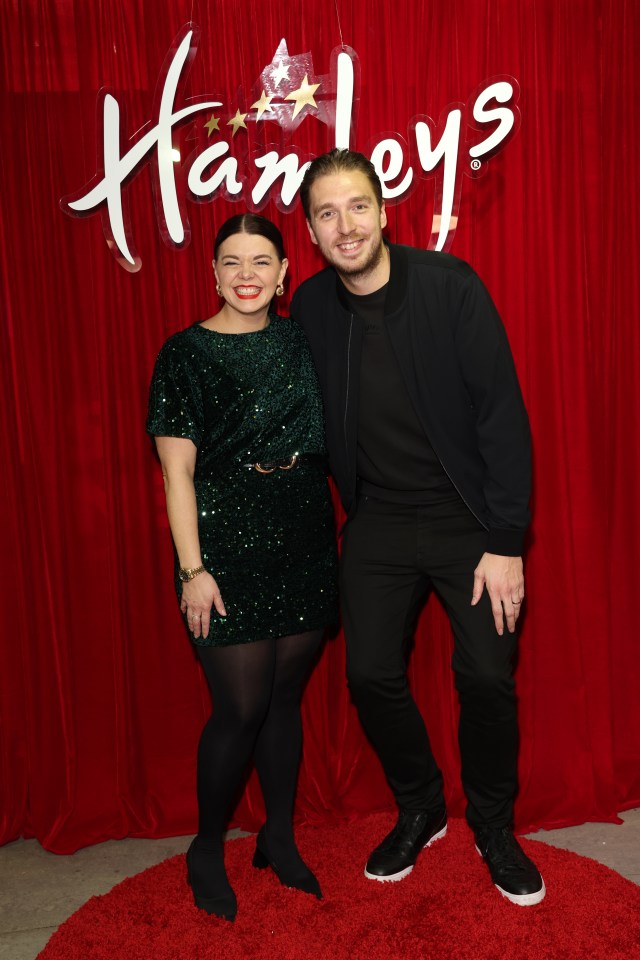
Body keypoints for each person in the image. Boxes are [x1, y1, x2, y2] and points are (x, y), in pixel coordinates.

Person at [290, 149, 545, 906]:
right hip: (380, 519)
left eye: (357, 207)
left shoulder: (450, 287)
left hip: (469, 518)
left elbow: (503, 418)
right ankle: (423, 801)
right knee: (367, 673)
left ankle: (493, 827)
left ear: (383, 211)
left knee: (487, 678)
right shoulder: (308, 306)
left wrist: (506, 541)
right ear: (310, 229)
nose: (346, 225)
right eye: (328, 213)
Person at [147, 213, 338, 922]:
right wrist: (193, 570)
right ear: (215, 273)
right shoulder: (185, 353)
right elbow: (176, 475)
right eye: (233, 261)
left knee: (284, 700)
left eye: (263, 261)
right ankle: (205, 846)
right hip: (224, 542)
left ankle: (278, 836)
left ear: (285, 274)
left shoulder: (302, 340)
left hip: (304, 532)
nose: (248, 274)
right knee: (240, 706)